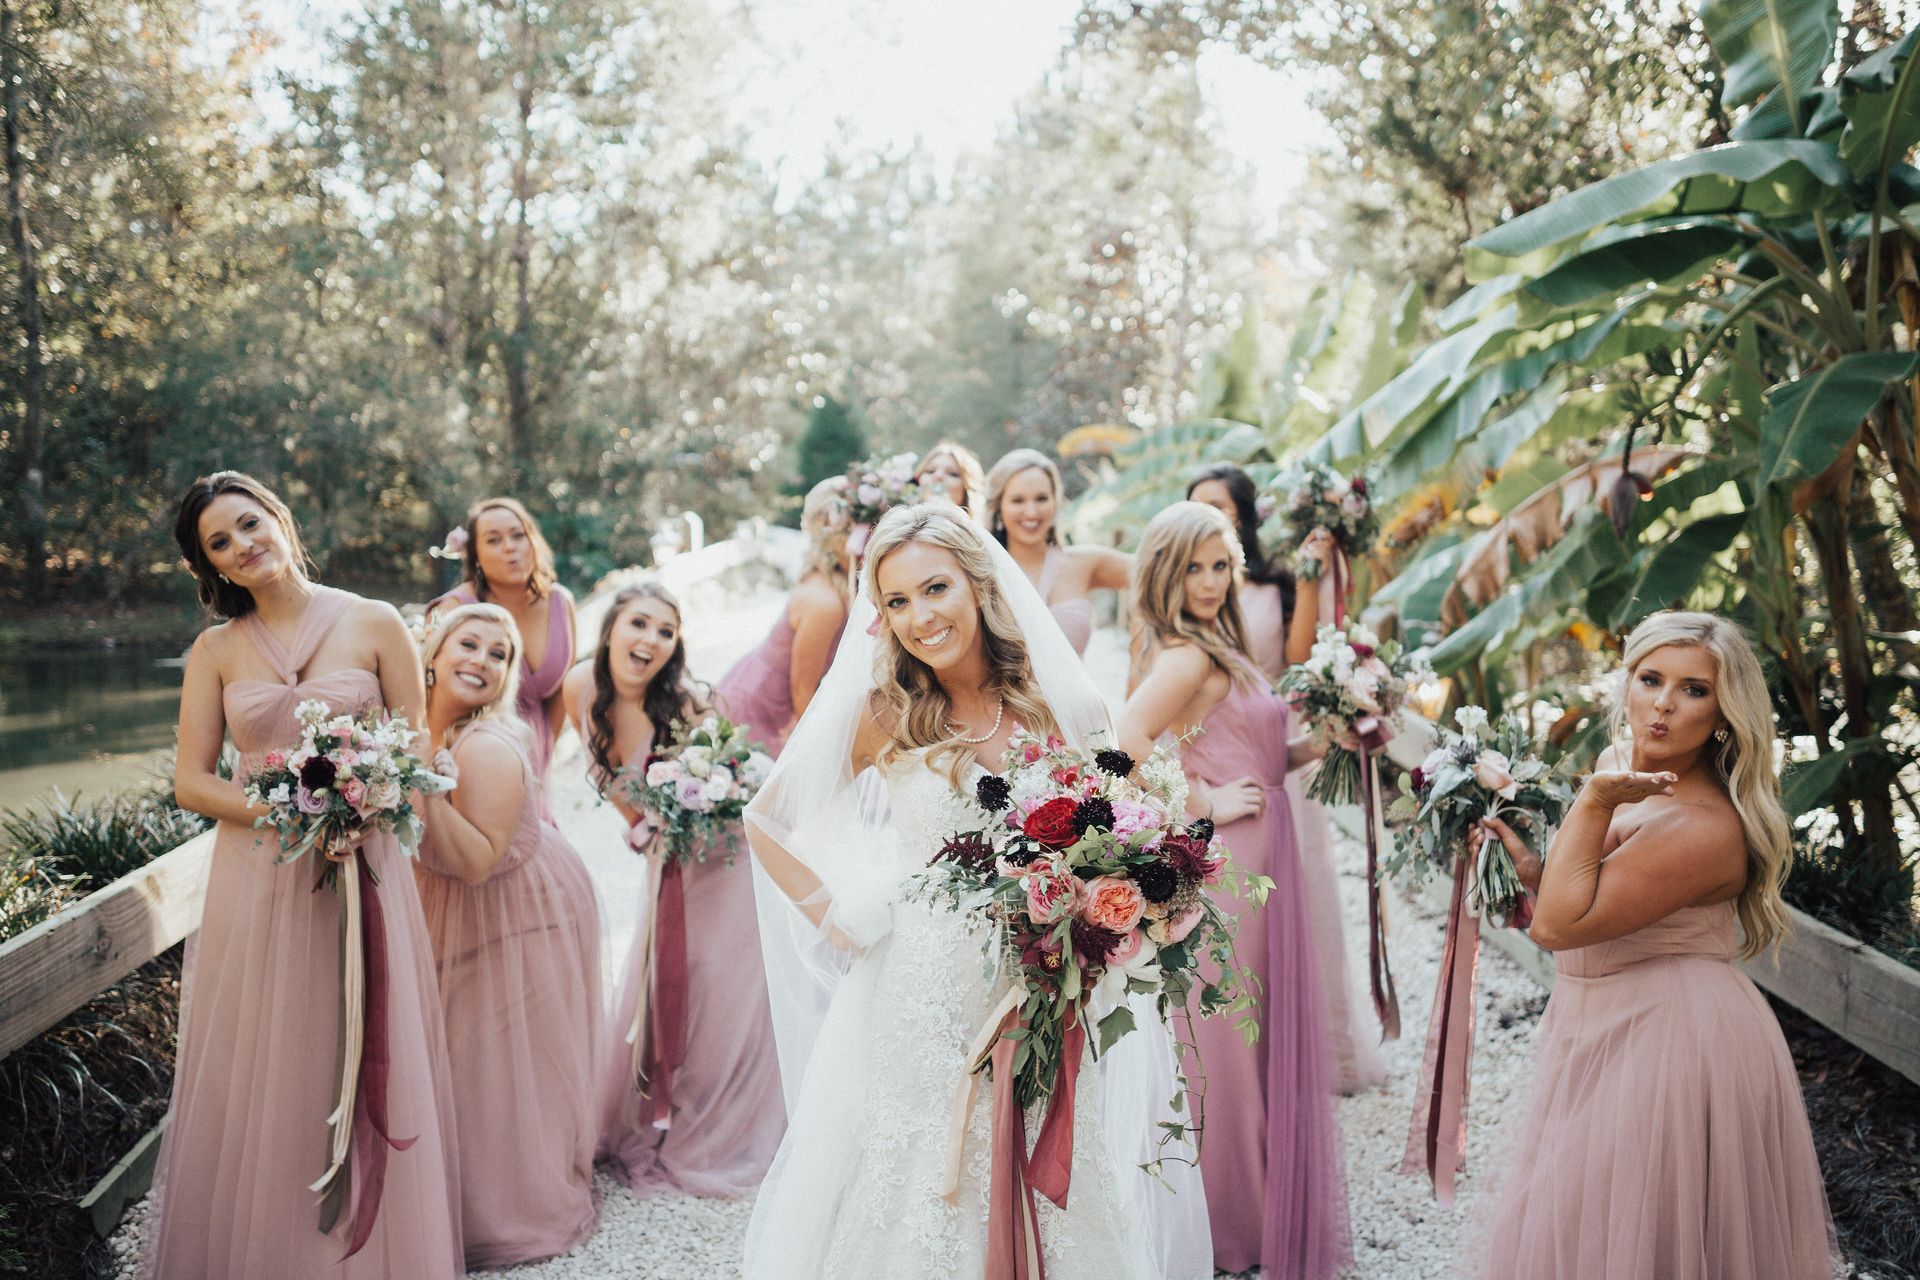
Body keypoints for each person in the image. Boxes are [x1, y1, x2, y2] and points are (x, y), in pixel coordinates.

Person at [741, 503, 1209, 1280]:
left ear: (978, 584)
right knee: (928, 1185)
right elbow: (767, 820)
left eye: (934, 589)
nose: (919, 617)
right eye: (896, 601)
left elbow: (1116, 832)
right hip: (920, 996)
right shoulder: (886, 711)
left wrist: (1105, 920)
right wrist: (840, 918)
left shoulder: (1063, 704)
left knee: (1053, 1167)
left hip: (1040, 985)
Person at [144, 472, 461, 1278]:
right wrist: (294, 812)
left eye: (249, 524)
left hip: (365, 869)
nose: (243, 546)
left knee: (356, 1036)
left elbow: (414, 745)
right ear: (209, 566)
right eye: (220, 543)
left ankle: (372, 1249)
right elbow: (192, 780)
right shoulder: (214, 651)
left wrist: (364, 805)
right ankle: (271, 1249)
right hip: (258, 875)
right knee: (269, 1055)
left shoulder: (376, 620)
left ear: (279, 518)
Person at [1467, 611, 1833, 1280]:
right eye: (1650, 678)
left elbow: (1557, 928)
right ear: (1626, 681)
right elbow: (1576, 903)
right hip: (1598, 1024)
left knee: (1645, 1240)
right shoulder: (1618, 764)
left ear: (1724, 714)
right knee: (1586, 1230)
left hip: (1672, 1042)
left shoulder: (1703, 826)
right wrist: (1532, 874)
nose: (1662, 704)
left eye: (1693, 689)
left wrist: (1597, 803)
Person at [1118, 501, 1351, 1280]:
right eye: (1195, 566)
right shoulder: (1183, 655)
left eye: (1222, 565)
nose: (1212, 581)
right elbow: (1124, 742)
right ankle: (1228, 1231)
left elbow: (1263, 752)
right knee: (1224, 1042)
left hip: (1266, 842)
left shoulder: (1219, 646)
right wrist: (1202, 803)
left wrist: (1345, 727)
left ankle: (1248, 1215)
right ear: (1165, 570)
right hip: (1231, 862)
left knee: (1249, 1038)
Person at [562, 582, 785, 1197]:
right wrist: (640, 829)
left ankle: (724, 1118)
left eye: (666, 631)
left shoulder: (689, 703)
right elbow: (604, 770)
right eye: (640, 623)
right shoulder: (580, 687)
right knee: (669, 981)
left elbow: (735, 778)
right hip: (669, 863)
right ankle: (666, 1109)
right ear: (610, 629)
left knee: (721, 983)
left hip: (724, 859)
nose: (651, 640)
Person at [414, 603, 603, 1267]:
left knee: (497, 1059)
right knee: (457, 1050)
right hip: (457, 906)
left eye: (499, 656)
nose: (483, 661)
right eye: (469, 644)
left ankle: (509, 1209)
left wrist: (421, 783)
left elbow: (473, 861)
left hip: (523, 909)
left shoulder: (483, 747)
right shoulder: (392, 732)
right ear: (430, 654)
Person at [1186, 463, 1384, 1093]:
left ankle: (1317, 1053)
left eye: (1221, 508)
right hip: (1214, 769)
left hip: (1274, 753)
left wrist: (1314, 573)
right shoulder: (1180, 607)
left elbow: (1297, 664)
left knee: (1305, 896)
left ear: (1244, 516)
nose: (1210, 521)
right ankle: (1241, 1060)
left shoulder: (1274, 585)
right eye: (1197, 508)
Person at [428, 496, 578, 793]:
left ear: (532, 540)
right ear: (476, 555)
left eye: (518, 535)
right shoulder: (454, 609)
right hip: (467, 763)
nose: (510, 547)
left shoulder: (561, 602)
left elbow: (562, 692)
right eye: (494, 540)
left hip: (535, 761)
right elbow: (428, 693)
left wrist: (541, 753)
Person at [713, 477, 851, 753]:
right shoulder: (825, 603)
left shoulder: (834, 579)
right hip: (762, 705)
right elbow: (802, 689)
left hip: (758, 680)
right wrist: (819, 753)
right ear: (830, 527)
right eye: (861, 525)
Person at [984, 447, 1132, 656]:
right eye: (1018, 500)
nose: (1031, 512)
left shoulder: (1084, 562)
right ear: (999, 506)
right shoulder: (982, 570)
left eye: (1041, 498)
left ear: (1055, 501)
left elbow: (1162, 569)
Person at [914, 441, 986, 523]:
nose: (938, 475)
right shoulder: (898, 525)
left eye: (952, 474)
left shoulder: (979, 533)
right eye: (930, 471)